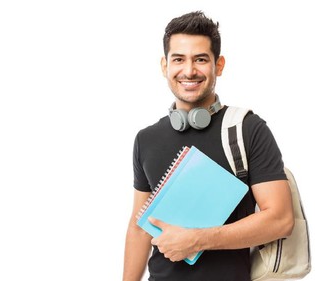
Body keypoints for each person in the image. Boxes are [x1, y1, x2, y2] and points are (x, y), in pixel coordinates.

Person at [123, 11, 294, 281]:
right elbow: (139, 228)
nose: (188, 70)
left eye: (200, 59)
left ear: (219, 65)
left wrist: (198, 240)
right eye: (178, 59)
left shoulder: (247, 129)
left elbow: (281, 220)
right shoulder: (146, 139)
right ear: (164, 66)